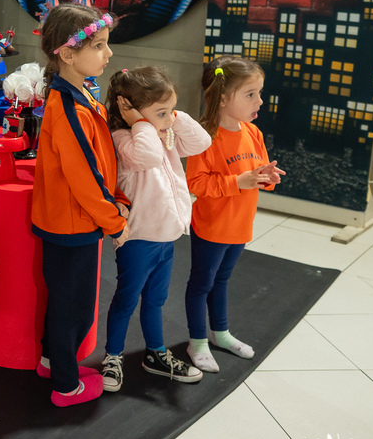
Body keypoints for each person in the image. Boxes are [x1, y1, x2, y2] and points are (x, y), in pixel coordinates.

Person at [29, 5, 127, 407]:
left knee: (67, 300)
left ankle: (53, 362)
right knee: (75, 307)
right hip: (73, 224)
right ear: (67, 54)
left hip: (76, 220)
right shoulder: (67, 105)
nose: (108, 55)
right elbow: (84, 176)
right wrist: (114, 220)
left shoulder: (80, 93)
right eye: (99, 47)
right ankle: (65, 385)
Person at [100, 67, 211, 393]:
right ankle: (113, 356)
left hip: (166, 236)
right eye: (160, 111)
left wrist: (170, 117)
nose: (167, 117)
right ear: (128, 109)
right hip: (138, 239)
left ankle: (156, 353)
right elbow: (146, 156)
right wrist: (145, 123)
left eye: (170, 109)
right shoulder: (124, 139)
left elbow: (202, 141)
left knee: (156, 300)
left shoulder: (161, 133)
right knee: (126, 300)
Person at [185, 56, 285, 373]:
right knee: (201, 284)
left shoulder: (253, 133)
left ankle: (221, 333)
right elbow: (196, 182)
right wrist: (238, 182)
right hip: (212, 226)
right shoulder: (205, 136)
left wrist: (266, 177)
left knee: (222, 281)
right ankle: (197, 342)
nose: (260, 100)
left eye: (259, 92)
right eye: (251, 94)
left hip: (240, 226)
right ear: (224, 97)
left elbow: (256, 172)